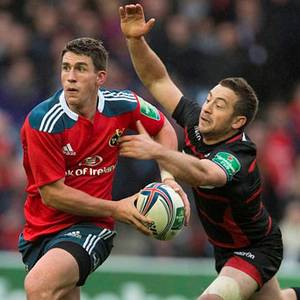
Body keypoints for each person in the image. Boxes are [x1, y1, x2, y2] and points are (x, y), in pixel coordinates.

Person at [119, 4, 300, 300]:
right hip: (226, 249)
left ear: (238, 121)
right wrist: (135, 41)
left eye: (220, 106)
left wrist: (159, 152)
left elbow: (205, 172)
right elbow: (158, 80)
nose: (207, 108)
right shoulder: (196, 121)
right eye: (210, 99)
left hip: (256, 249)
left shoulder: (238, 155)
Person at [18, 37, 189, 300]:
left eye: (80, 69)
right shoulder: (44, 121)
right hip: (40, 230)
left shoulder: (123, 104)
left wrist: (168, 178)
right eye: (66, 67)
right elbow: (53, 195)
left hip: (91, 225)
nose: (70, 77)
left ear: (100, 77)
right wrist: (119, 208)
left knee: (39, 286)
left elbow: (163, 128)